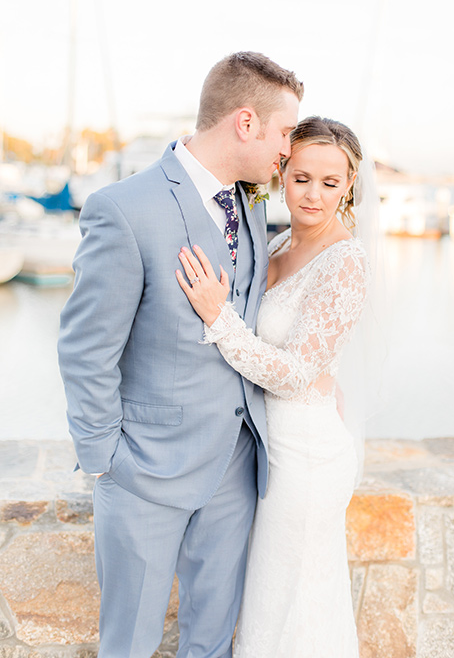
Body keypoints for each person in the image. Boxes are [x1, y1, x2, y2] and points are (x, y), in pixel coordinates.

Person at [57, 51, 303, 658]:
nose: (289, 150)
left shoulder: (250, 204)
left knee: (212, 642)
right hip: (145, 473)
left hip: (237, 469)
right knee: (130, 646)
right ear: (245, 123)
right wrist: (105, 459)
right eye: (285, 132)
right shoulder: (124, 208)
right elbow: (86, 349)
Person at [177, 116, 370, 658]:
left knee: (291, 601)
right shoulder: (281, 241)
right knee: (270, 596)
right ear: (281, 172)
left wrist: (220, 320)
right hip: (270, 448)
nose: (313, 194)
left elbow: (295, 373)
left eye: (330, 183)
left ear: (349, 186)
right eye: (302, 177)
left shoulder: (346, 263)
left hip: (306, 456)